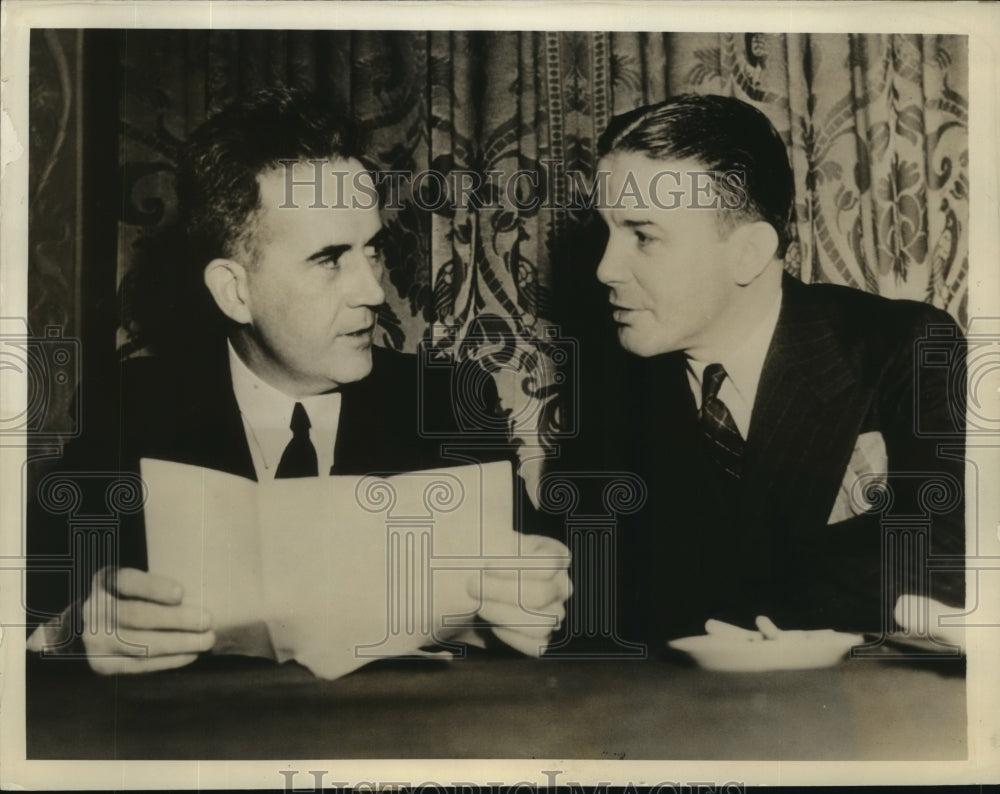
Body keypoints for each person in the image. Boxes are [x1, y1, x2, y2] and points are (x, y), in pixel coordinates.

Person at [27, 88, 570, 673]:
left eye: (374, 251)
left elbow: (558, 604)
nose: (373, 292)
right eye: (330, 258)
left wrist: (542, 602)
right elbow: (31, 607)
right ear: (234, 291)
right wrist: (75, 628)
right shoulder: (133, 407)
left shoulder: (447, 402)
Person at [556, 94, 965, 648]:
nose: (605, 268)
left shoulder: (905, 347)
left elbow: (950, 550)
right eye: (606, 231)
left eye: (643, 236)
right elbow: (595, 606)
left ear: (748, 252)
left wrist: (716, 595)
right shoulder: (611, 390)